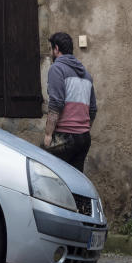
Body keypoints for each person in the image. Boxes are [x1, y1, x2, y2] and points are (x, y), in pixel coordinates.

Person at [43, 32, 96, 172]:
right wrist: (82, 129)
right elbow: (93, 109)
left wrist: (48, 135)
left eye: (51, 49)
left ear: (56, 48)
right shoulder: (86, 74)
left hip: (64, 137)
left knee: (52, 178)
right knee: (76, 183)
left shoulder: (57, 68)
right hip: (84, 138)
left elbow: (56, 104)